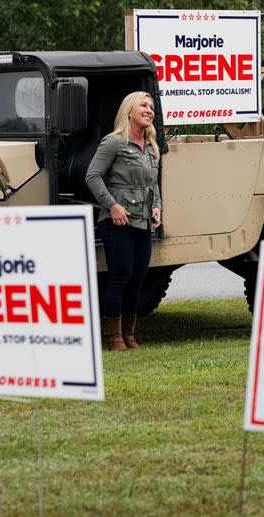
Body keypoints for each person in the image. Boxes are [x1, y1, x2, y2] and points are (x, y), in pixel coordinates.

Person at [86, 91, 162, 351]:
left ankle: (129, 335)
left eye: (151, 106)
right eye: (143, 105)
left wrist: (158, 208)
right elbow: (93, 176)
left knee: (138, 277)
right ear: (129, 110)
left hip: (143, 222)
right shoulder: (114, 143)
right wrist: (113, 206)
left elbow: (153, 182)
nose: (149, 110)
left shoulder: (151, 145)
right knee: (120, 276)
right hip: (117, 222)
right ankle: (114, 337)